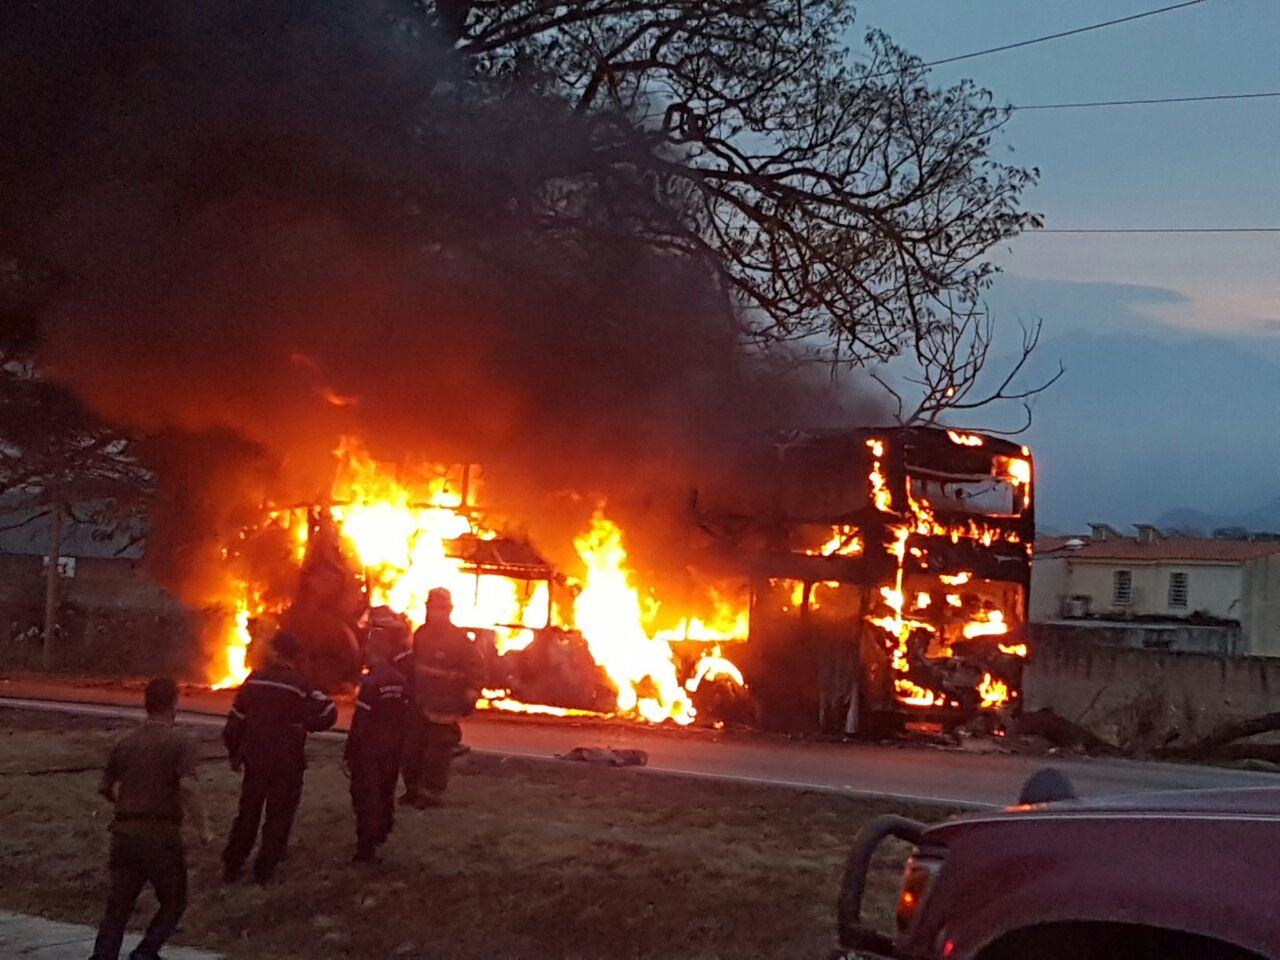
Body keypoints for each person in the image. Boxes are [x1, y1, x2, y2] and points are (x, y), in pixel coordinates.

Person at [90, 678, 210, 960]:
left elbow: (104, 787)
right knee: (174, 900)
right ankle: (145, 953)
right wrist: (204, 829)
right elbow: (188, 786)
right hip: (160, 835)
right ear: (174, 704)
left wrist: (127, 806)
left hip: (123, 835)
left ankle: (103, 956)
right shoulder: (181, 742)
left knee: (118, 906)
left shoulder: (125, 742)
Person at [221, 631, 337, 883]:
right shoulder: (300, 684)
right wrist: (307, 724)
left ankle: (233, 864)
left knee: (248, 811)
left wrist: (235, 752)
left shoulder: (253, 682)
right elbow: (329, 710)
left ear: (274, 652)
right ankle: (266, 868)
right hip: (287, 760)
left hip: (256, 759)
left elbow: (235, 722)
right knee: (279, 813)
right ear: (294, 657)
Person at [400, 587, 484, 808]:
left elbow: (475, 669)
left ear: (449, 610)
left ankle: (431, 794)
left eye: (440, 609)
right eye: (431, 608)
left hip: (444, 705)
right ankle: (413, 790)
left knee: (437, 753)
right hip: (419, 702)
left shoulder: (460, 640)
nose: (434, 613)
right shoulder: (421, 634)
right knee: (411, 749)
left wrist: (470, 692)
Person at [345, 622, 410, 863]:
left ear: (374, 651)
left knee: (365, 794)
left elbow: (361, 720)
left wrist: (351, 751)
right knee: (385, 790)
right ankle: (383, 830)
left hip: (370, 747)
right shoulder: (400, 681)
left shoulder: (371, 682)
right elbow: (405, 716)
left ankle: (366, 847)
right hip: (393, 747)